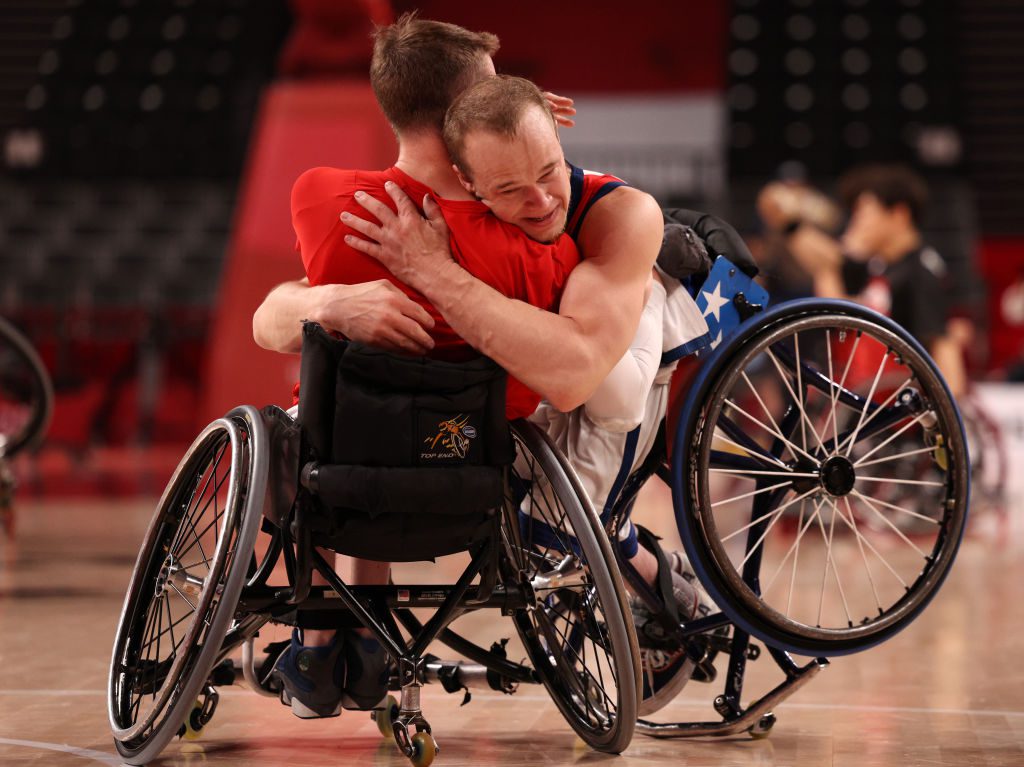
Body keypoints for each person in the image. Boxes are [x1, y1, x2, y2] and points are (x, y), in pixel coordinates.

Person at [255, 16, 711, 718]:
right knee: (597, 414)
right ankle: (636, 554)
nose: (540, 198)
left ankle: (329, 641)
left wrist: (338, 296)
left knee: (330, 419)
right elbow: (566, 373)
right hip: (483, 455)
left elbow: (269, 320)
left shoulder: (322, 198)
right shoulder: (543, 254)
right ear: (459, 131)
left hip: (359, 467)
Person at [757, 163, 967, 398]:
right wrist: (788, 224)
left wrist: (947, 423)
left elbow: (944, 348)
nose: (857, 222)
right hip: (867, 407)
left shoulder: (920, 271)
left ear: (898, 214)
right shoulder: (880, 267)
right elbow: (830, 264)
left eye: (864, 212)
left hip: (902, 422)